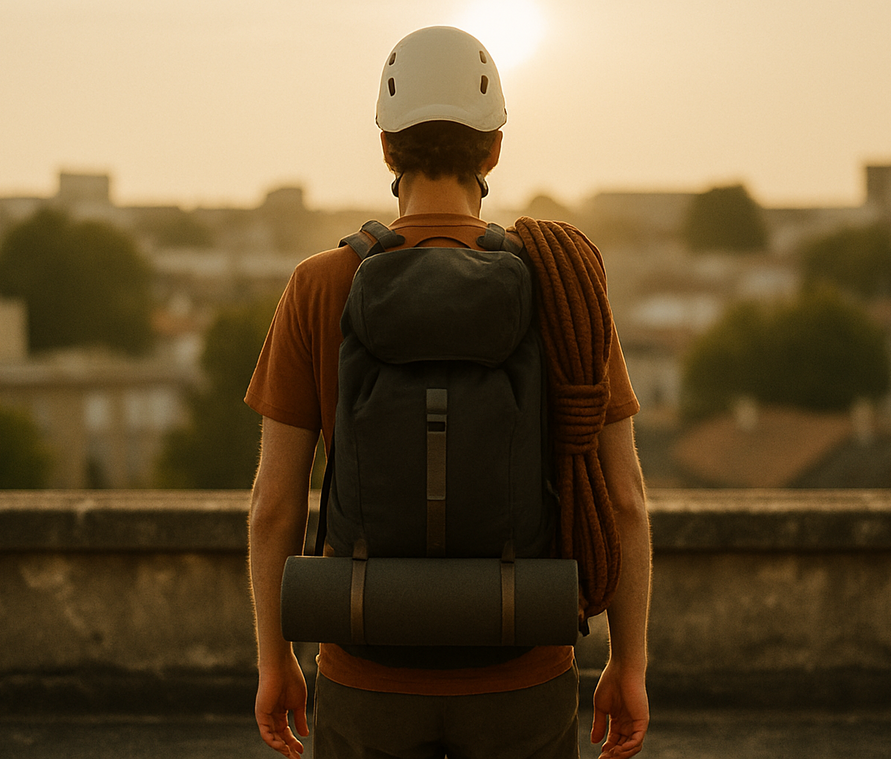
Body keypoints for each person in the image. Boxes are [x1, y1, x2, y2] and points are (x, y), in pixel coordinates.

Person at [246, 26, 651, 759]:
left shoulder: (320, 285)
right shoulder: (559, 287)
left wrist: (276, 660)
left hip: (366, 672)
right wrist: (629, 661)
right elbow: (624, 499)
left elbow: (273, 505)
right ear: (493, 149)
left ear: (386, 148)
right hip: (520, 672)